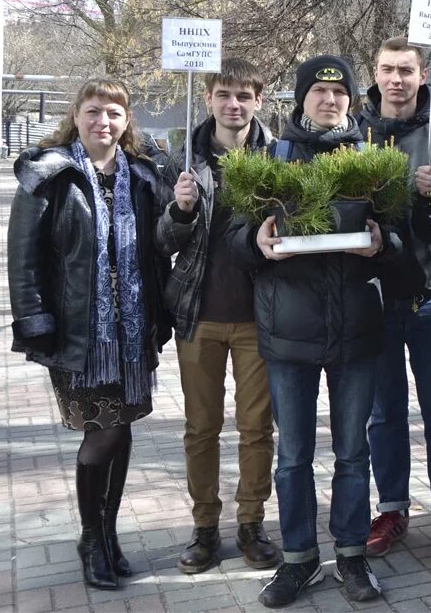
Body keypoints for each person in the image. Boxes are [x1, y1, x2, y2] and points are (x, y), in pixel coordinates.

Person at [227, 55, 401, 608]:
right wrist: (254, 241)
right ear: (301, 98)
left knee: (353, 453)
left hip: (357, 331)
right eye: (319, 91)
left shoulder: (375, 161)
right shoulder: (270, 159)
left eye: (340, 92)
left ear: (352, 99)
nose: (330, 100)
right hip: (288, 334)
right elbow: (236, 239)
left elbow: (402, 243)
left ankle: (351, 555)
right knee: (294, 455)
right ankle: (298, 560)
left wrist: (382, 243)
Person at [8, 79, 176, 590]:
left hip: (131, 335)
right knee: (102, 433)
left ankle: (107, 532)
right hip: (80, 337)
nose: (103, 120)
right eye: (93, 111)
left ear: (127, 122)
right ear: (77, 116)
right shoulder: (50, 175)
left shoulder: (145, 177)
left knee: (121, 430)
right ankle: (91, 537)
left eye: (113, 113)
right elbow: (24, 258)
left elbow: (158, 250)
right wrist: (35, 321)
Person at [157, 58, 280, 575]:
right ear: (208, 97)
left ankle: (251, 523)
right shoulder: (181, 158)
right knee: (201, 428)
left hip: (260, 315)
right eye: (224, 94)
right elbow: (162, 242)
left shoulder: (279, 155)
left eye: (243, 96)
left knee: (256, 428)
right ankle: (204, 527)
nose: (234, 104)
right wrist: (178, 211)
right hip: (199, 314)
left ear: (258, 100)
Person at [357, 36, 431, 561]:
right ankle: (393, 508)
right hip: (374, 297)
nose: (397, 79)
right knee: (383, 414)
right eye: (388, 70)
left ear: (424, 76)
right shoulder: (355, 133)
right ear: (375, 74)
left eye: (406, 70)